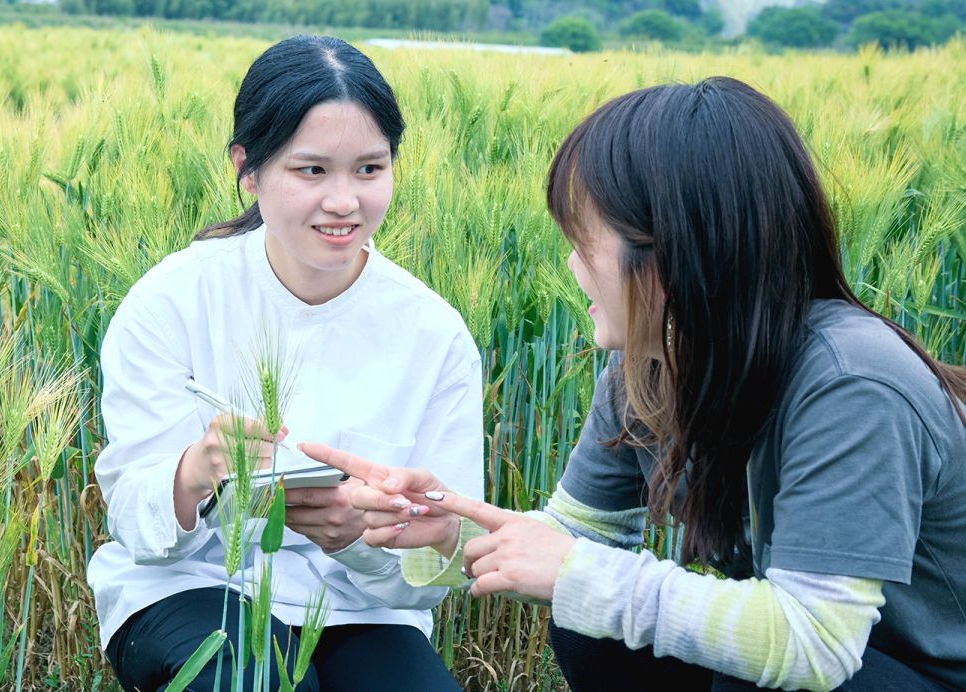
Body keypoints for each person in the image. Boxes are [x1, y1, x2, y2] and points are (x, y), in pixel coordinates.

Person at [301, 77, 966, 691]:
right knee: (588, 619)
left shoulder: (851, 382)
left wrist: (574, 572)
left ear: (672, 250)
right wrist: (447, 530)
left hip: (924, 673)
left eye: (584, 240)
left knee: (756, 671)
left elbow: (813, 642)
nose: (569, 264)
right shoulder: (648, 368)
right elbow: (573, 540)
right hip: (841, 667)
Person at [86, 35, 482, 691]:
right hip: (191, 586)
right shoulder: (172, 300)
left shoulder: (435, 334)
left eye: (369, 169)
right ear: (248, 167)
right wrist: (196, 474)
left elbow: (445, 568)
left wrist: (355, 538)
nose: (344, 201)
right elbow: (134, 525)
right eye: (311, 170)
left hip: (363, 608)